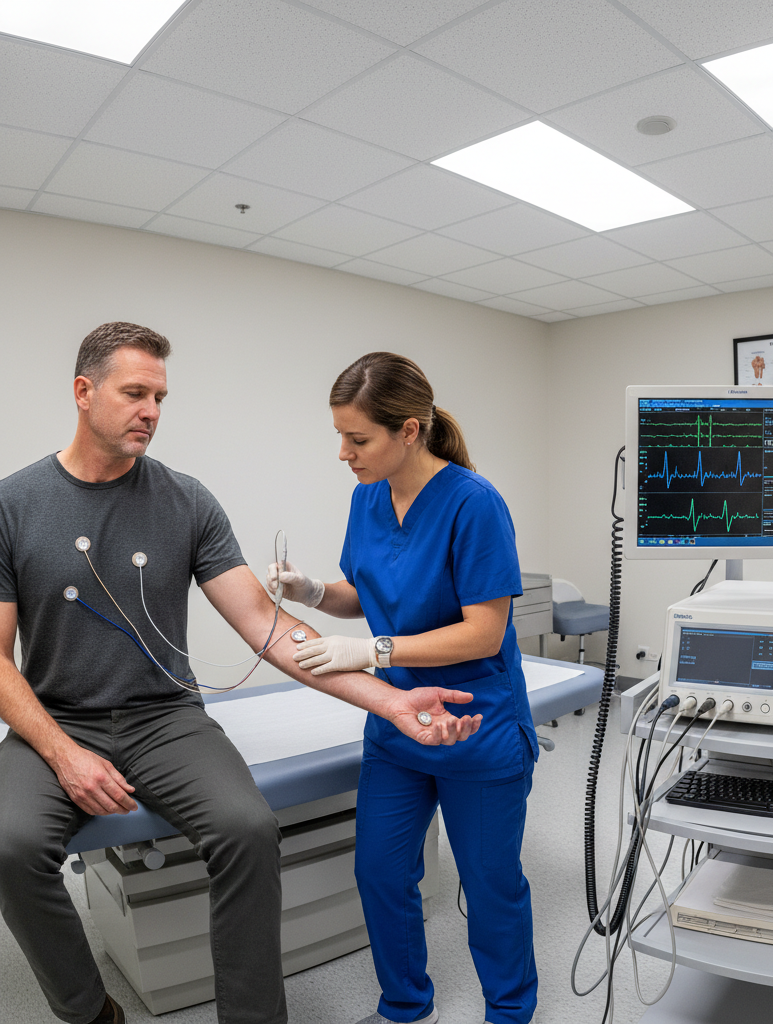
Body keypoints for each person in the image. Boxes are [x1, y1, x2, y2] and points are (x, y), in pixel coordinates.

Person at [0, 324, 480, 1024]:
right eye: (135, 393)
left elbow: (267, 625)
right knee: (8, 844)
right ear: (84, 391)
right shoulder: (14, 505)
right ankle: (89, 1012)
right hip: (57, 718)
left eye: (160, 397)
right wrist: (64, 754)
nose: (151, 411)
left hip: (164, 716)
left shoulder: (186, 501)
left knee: (248, 829)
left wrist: (390, 703)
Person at [267, 352, 538, 1024]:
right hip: (395, 727)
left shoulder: (474, 505)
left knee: (490, 886)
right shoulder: (368, 496)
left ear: (409, 430)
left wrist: (372, 650)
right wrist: (312, 592)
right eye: (340, 436)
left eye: (357, 439)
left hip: (473, 726)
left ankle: (509, 1012)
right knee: (382, 875)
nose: (343, 453)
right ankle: (406, 1006)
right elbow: (365, 590)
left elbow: (484, 631)